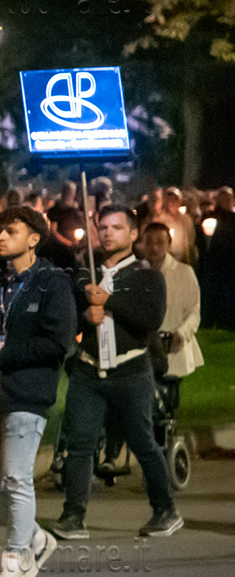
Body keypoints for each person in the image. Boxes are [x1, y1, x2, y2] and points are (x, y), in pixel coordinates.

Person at [0, 205, 74, 577]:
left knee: (15, 478)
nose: (0, 236)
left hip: (27, 393)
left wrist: (7, 355)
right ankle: (37, 539)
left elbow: (58, 343)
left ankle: (15, 560)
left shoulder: (52, 283)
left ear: (33, 239)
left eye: (10, 231)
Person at [52, 205, 180, 540]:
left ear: (133, 234)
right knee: (79, 443)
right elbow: (67, 318)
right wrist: (85, 317)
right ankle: (73, 515)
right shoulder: (86, 273)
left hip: (131, 372)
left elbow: (150, 318)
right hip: (88, 372)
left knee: (143, 442)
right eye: (104, 227)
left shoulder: (147, 276)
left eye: (117, 227)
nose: (108, 233)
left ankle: (165, 510)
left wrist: (108, 300)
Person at [141, 219, 204, 433]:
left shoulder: (184, 272)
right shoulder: (136, 274)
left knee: (166, 401)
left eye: (160, 242)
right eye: (149, 242)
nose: (154, 247)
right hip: (144, 348)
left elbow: (194, 311)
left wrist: (182, 334)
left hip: (172, 347)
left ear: (169, 244)